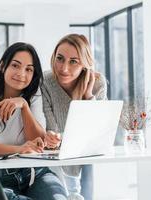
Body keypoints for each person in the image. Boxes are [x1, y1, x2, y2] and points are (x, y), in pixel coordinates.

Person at [0, 42, 67, 200]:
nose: (21, 74)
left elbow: (37, 140)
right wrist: (18, 149)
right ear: (3, 66)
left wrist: (23, 106)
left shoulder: (34, 96)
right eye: (15, 65)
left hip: (37, 174)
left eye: (29, 69)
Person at [41, 34, 108, 200]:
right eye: (60, 59)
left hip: (87, 158)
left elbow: (99, 132)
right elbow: (52, 131)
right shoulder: (46, 81)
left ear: (84, 64)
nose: (64, 68)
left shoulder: (98, 83)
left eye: (73, 61)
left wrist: (88, 96)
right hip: (54, 159)